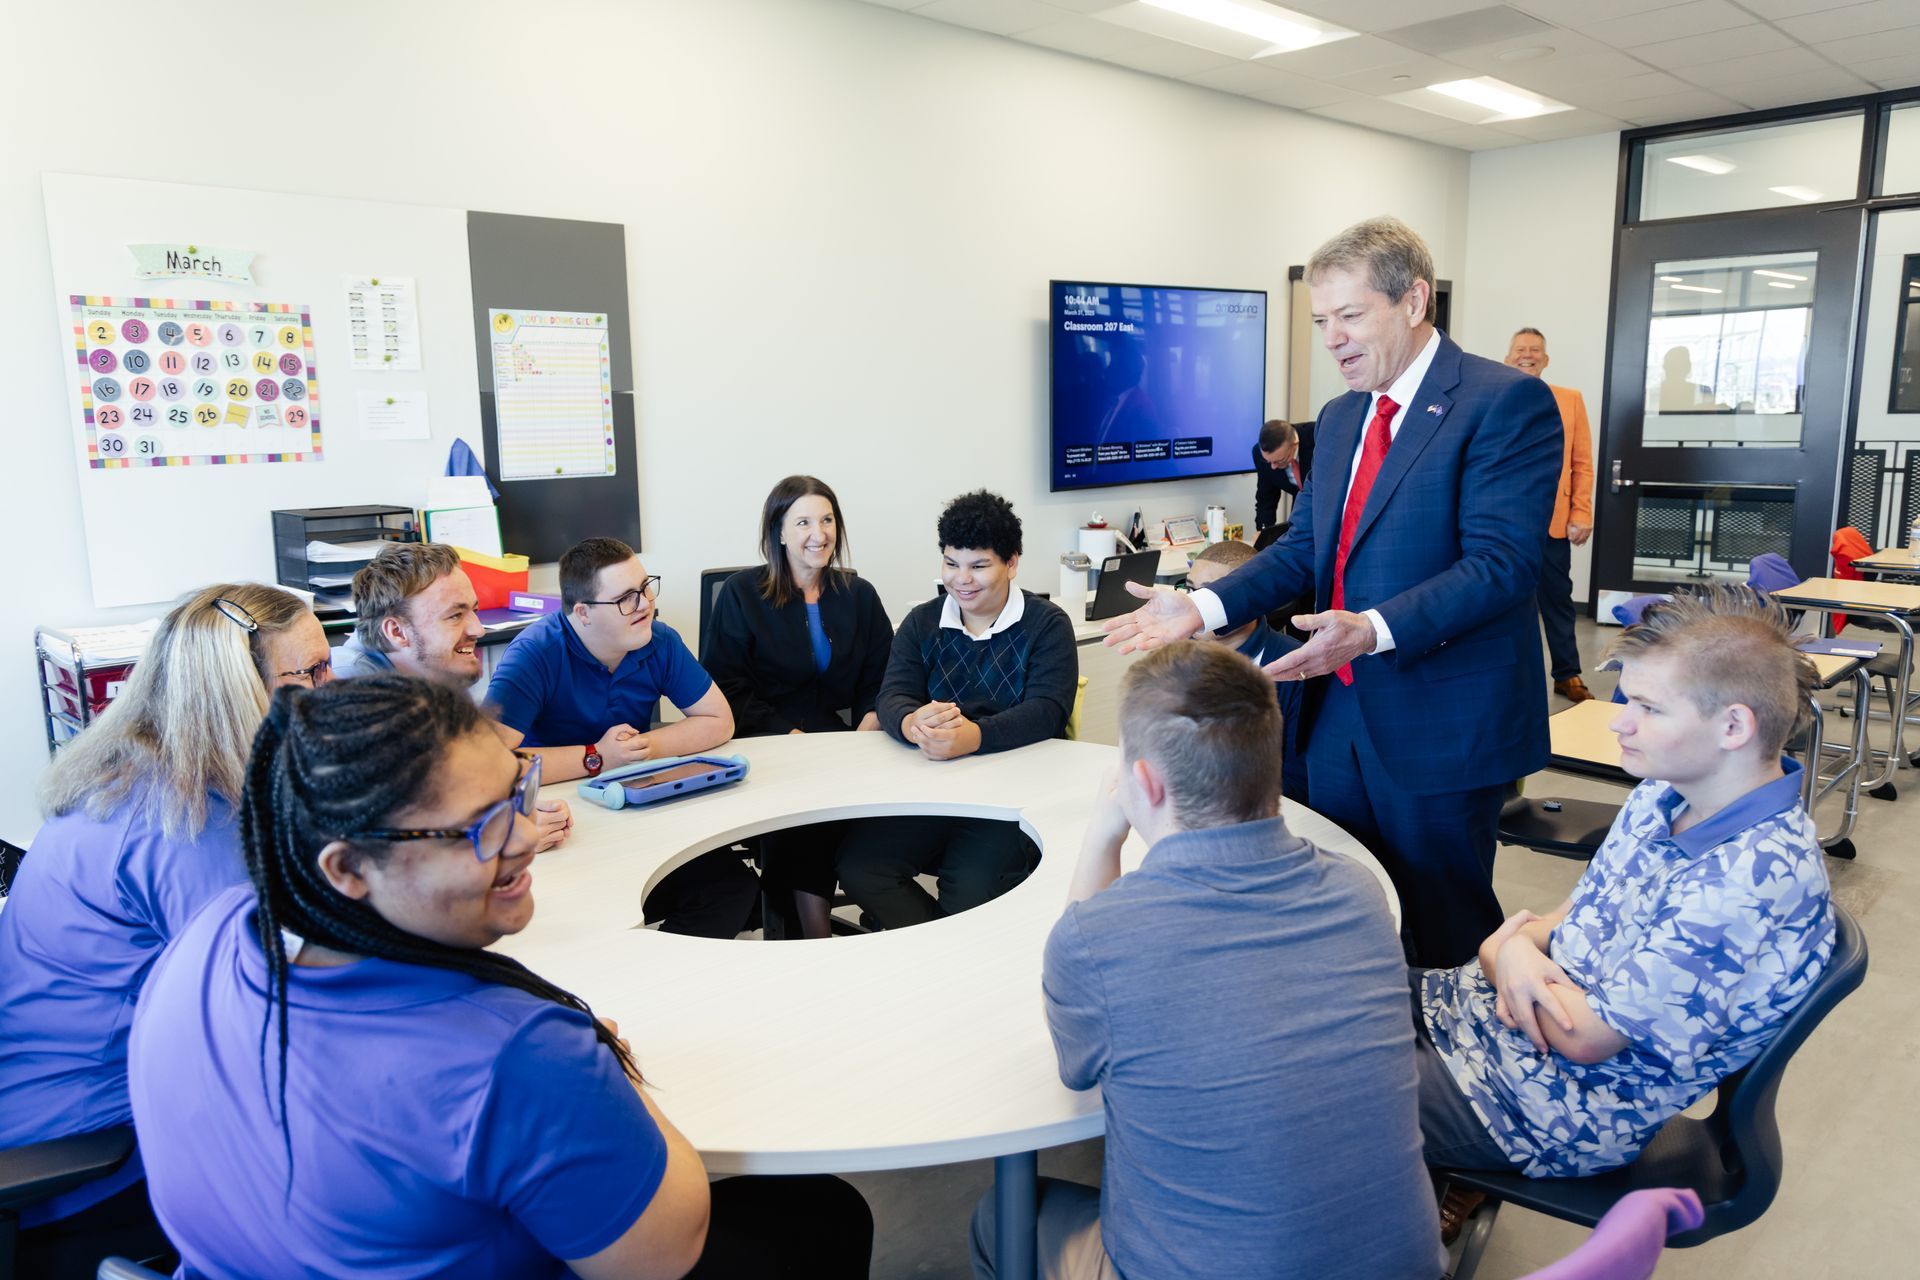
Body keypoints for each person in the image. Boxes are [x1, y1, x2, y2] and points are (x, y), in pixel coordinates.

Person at [127, 674, 873, 1278]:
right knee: (820, 1216)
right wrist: (616, 1075)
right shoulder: (519, 1055)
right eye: (479, 827)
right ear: (349, 867)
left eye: (517, 794)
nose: (523, 837)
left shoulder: (211, 933)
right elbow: (664, 1254)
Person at [1105, 215, 1562, 967]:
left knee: (1440, 929)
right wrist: (1203, 606)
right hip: (1338, 716)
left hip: (1441, 720)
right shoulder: (1344, 418)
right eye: (1322, 321)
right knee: (1349, 915)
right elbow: (1309, 549)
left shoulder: (1501, 403)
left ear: (1414, 302)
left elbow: (1500, 566)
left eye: (1351, 316)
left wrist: (1372, 628)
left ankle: (1446, 1079)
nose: (1334, 339)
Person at [971, 642, 1441, 1279]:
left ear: (1142, 782)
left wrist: (1103, 834)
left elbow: (1076, 1072)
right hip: (1402, 1268)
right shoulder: (1360, 894)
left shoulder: (1099, 939)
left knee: (1001, 1218)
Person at [1416, 588, 1833, 1196]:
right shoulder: (1661, 795)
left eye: (1648, 706)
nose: (1620, 721)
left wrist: (1508, 952)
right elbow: (1561, 921)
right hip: (1482, 1020)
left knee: (1278, 1089)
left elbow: (1583, 1037)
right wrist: (1512, 954)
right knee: (1302, 994)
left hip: (1545, 1106)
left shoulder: (1750, 879)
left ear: (1734, 725)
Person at [0, 583, 329, 1278]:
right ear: (237, 693)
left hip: (51, 1108)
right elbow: (284, 1005)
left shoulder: (141, 772)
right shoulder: (181, 820)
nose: (332, 694)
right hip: (93, 1155)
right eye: (311, 676)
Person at [487, 537, 756, 938]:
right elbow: (486, 763)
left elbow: (719, 720)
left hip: (634, 811)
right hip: (563, 828)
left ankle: (670, 982)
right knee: (597, 921)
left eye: (646, 588)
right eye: (627, 598)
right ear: (582, 613)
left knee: (734, 889)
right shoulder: (534, 653)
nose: (646, 603)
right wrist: (597, 757)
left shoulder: (658, 640)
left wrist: (645, 748)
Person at [836, 490, 1078, 929]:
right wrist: (911, 722)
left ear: (1012, 562)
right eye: (951, 563)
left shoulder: (1047, 624)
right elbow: (891, 697)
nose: (962, 579)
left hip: (1013, 802)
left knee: (969, 887)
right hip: (933, 792)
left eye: (979, 565)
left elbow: (1048, 710)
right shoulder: (922, 622)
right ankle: (937, 951)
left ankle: (955, 961)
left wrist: (974, 737)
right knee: (861, 866)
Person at [704, 475, 894, 938]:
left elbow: (888, 675)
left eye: (827, 520)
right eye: (804, 521)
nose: (819, 533)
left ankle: (867, 910)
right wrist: (792, 739)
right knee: (804, 807)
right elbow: (726, 688)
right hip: (767, 742)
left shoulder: (858, 595)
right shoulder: (741, 595)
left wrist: (869, 724)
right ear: (779, 531)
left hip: (845, 743)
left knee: (848, 803)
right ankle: (815, 933)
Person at [340, 540, 572, 850]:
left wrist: (510, 812)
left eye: (473, 610)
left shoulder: (427, 673)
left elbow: (472, 772)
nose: (478, 629)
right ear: (397, 632)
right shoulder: (349, 696)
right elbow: (382, 828)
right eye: (454, 616)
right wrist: (498, 830)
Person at [1505, 327, 1597, 703]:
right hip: (1503, 522)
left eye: (1536, 350)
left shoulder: (1569, 400)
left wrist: (1582, 512)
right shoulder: (1492, 396)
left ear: (1546, 359)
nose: (1528, 355)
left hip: (1552, 522)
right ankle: (1506, 678)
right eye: (1521, 349)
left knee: (1557, 600)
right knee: (1501, 604)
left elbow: (1582, 463)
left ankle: (1567, 675)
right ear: (1508, 357)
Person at [1184, 540, 1307, 803]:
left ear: (1252, 599)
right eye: (1190, 590)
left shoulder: (1296, 667)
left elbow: (1301, 779)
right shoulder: (1177, 661)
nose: (1194, 607)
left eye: (1210, 596)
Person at [1251, 417, 1315, 533]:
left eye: (1279, 461)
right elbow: (1266, 499)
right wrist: (1263, 533)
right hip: (1300, 511)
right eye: (1269, 461)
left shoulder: (1316, 437)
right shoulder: (1259, 454)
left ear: (1294, 445)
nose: (1273, 467)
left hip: (1327, 506)